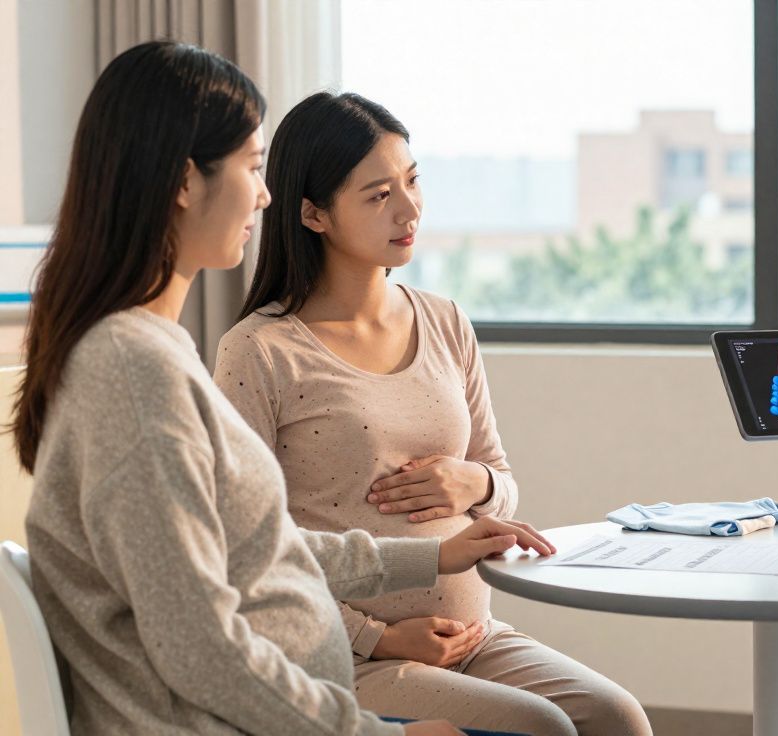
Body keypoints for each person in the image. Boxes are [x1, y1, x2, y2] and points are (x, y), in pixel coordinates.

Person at [11, 40, 552, 736]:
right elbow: (199, 647)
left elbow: (254, 549)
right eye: (253, 167)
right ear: (184, 182)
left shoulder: (150, 354)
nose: (265, 194)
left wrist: (431, 553)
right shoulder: (134, 371)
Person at [213, 91, 651, 736]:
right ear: (313, 214)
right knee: (538, 727)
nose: (409, 209)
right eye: (377, 194)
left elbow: (498, 481)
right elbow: (246, 551)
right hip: (341, 657)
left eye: (412, 181)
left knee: (618, 717)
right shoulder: (260, 351)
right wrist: (377, 637)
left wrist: (478, 484)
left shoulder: (444, 321)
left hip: (473, 635)